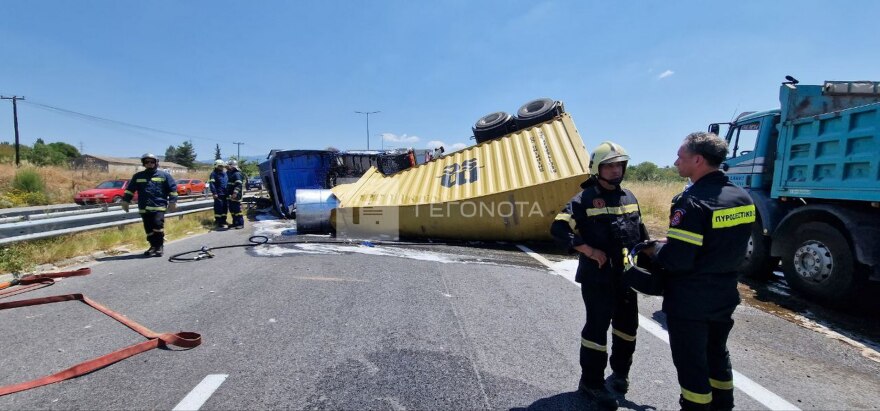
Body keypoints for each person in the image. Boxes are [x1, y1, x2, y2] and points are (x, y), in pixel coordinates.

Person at [648, 132, 755, 411]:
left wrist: (654, 250)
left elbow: (678, 259)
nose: (675, 162)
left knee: (692, 364)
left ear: (697, 160)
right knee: (717, 355)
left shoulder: (693, 201)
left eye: (680, 157)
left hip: (691, 299)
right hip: (724, 293)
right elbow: (719, 243)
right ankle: (723, 406)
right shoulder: (742, 197)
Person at [550, 141, 649, 410]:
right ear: (597, 169)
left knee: (627, 329)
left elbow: (641, 234)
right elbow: (559, 229)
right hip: (598, 278)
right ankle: (591, 383)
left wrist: (652, 259)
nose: (616, 170)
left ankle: (620, 374)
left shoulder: (629, 197)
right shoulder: (581, 200)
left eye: (619, 165)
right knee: (596, 330)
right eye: (609, 166)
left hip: (626, 278)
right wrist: (589, 249)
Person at [121, 153, 178, 257]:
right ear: (144, 163)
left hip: (158, 206)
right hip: (144, 207)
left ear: (156, 163)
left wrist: (173, 202)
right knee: (148, 229)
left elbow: (173, 190)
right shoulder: (138, 176)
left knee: (157, 225)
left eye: (152, 161)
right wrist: (126, 201)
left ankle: (159, 246)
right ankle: (153, 246)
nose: (149, 163)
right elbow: (130, 190)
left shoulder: (164, 176)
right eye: (147, 162)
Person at [208, 159, 229, 229]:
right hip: (218, 194)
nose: (221, 167)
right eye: (220, 166)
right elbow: (212, 184)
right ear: (216, 166)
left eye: (222, 166)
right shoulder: (213, 174)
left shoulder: (224, 173)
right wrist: (214, 193)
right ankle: (218, 222)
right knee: (218, 208)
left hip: (225, 194)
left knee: (225, 208)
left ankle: (224, 220)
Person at [226, 159, 245, 229]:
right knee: (232, 210)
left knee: (237, 210)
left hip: (236, 195)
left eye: (229, 165)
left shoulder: (237, 174)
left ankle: (240, 223)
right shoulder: (231, 173)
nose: (228, 167)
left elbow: (239, 184)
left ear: (232, 166)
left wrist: (235, 193)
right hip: (231, 196)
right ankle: (235, 223)